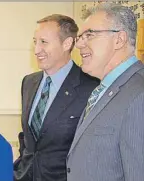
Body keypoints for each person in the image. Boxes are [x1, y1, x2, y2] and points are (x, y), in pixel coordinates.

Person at [13, 14, 99, 181]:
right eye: (35, 42)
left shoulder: (91, 87)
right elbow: (28, 139)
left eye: (44, 42)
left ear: (67, 43)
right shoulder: (29, 82)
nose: (37, 50)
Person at [67, 3, 144, 181]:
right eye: (80, 37)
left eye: (90, 35)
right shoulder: (104, 90)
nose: (79, 44)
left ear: (119, 39)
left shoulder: (139, 94)